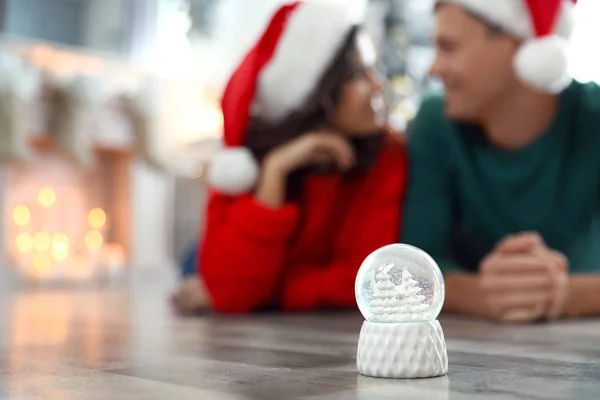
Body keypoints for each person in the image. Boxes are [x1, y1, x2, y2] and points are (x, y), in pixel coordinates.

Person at [172, 0, 406, 314]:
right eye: (358, 75)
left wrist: (273, 293)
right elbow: (233, 293)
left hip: (263, 279)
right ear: (317, 89)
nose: (379, 85)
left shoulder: (387, 152)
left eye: (373, 68)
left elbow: (368, 279)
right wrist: (274, 171)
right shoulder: (247, 160)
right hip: (219, 255)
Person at [401, 0, 600, 323]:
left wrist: (565, 294)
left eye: (448, 48)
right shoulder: (435, 124)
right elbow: (416, 265)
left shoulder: (593, 117)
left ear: (520, 45)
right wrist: (489, 294)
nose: (432, 69)